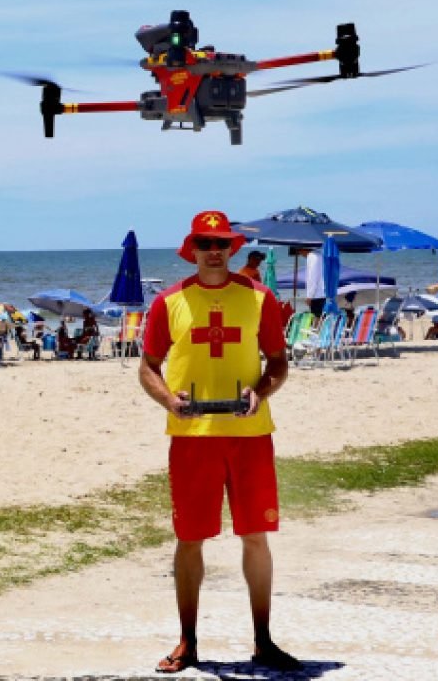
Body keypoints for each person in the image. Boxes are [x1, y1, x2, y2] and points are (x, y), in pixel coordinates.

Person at [138, 210, 299, 674]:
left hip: (250, 436)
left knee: (256, 536)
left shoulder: (259, 298)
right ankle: (187, 641)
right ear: (193, 248)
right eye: (206, 244)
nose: (214, 251)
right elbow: (148, 366)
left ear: (231, 249)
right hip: (192, 438)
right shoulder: (170, 302)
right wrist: (170, 399)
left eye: (222, 244)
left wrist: (260, 392)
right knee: (190, 539)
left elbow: (278, 363)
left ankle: (263, 641)